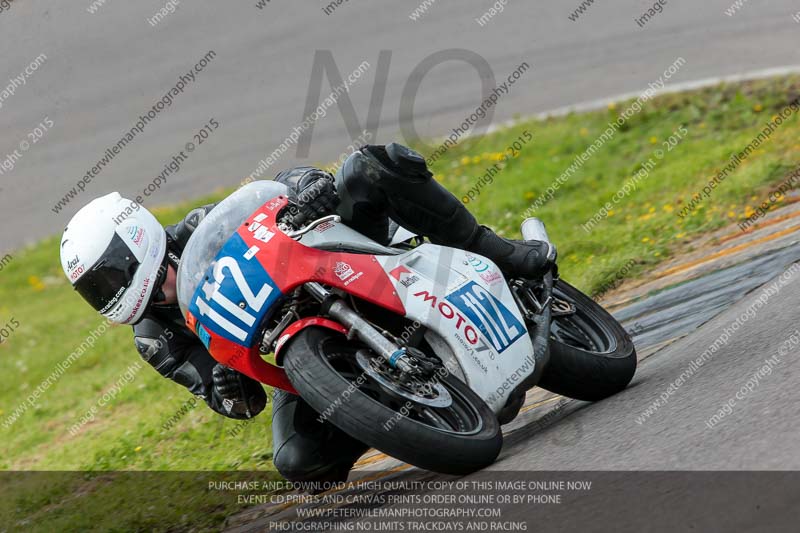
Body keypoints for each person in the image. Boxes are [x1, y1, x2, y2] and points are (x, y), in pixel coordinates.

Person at [59, 143, 555, 483]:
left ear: (134, 245)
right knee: (298, 461)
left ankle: (501, 253)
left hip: (343, 266)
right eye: (92, 290)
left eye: (106, 278)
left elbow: (270, 193)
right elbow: (234, 398)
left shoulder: (198, 228)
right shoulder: (155, 339)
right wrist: (226, 390)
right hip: (303, 345)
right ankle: (403, 413)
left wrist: (306, 186)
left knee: (371, 165)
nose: (106, 295)